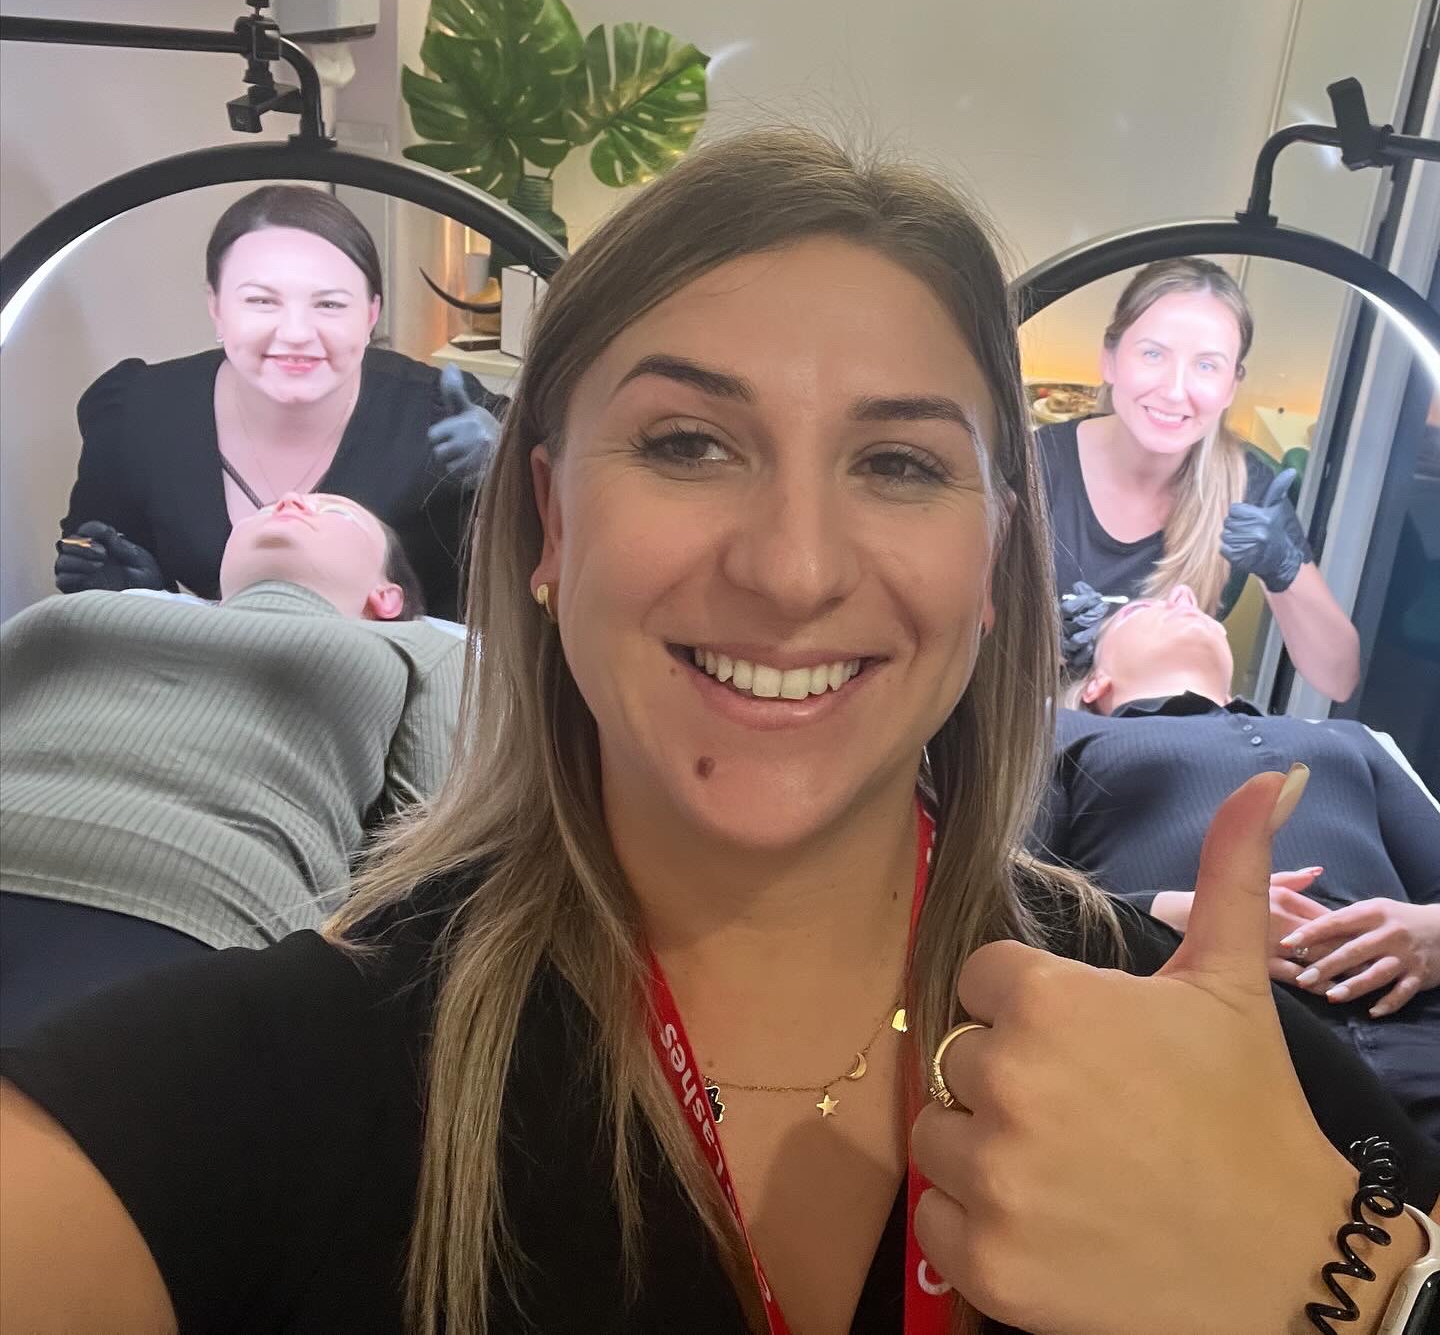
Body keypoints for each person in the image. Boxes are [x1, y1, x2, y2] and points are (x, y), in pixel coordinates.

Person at [2, 133, 1437, 1335]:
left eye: (898, 462)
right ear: (552, 520)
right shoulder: (260, 1088)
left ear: (996, 559)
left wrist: (1359, 1292)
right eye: (689, 443)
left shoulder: (1215, 1068)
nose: (793, 569)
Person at [3, 491, 464, 1045]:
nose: (290, 500)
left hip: (186, 919)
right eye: (265, 508)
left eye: (337, 512)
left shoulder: (419, 646)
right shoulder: (99, 607)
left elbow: (429, 853)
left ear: (386, 597)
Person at [1033, 584, 1440, 1144]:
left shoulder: (1353, 738)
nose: (1183, 594)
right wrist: (1171, 920)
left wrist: (1430, 933)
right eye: (1142, 607)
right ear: (1096, 683)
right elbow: (1012, 901)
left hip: (1423, 1031)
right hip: (1200, 1050)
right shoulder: (1058, 732)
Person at [53, 184, 504, 621]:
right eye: (262, 301)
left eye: (329, 305)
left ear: (370, 314)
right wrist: (141, 602)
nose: (295, 333)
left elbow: (528, 582)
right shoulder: (139, 415)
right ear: (216, 307)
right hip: (207, 668)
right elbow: (98, 587)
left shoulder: (445, 416)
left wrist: (506, 474)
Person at [1037, 257, 1361, 700]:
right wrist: (1036, 639)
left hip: (1152, 737)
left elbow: (1338, 679)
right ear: (1109, 360)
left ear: (1231, 387)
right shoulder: (1034, 468)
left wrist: (1282, 568)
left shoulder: (1245, 489)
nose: (1175, 391)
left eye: (1207, 366)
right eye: (1153, 354)